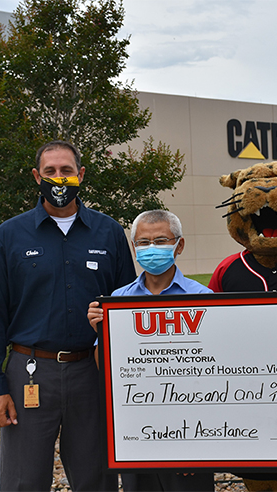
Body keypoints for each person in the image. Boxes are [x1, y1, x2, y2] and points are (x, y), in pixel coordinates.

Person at [0, 140, 137, 491]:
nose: (59, 178)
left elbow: (128, 306)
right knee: (23, 481)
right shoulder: (10, 235)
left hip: (92, 372)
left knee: (97, 478)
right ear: (37, 177)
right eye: (50, 171)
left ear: (80, 175)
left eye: (66, 171)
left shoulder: (108, 232)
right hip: (30, 373)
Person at [88, 209, 214, 492]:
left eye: (161, 241)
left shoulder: (203, 299)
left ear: (179, 245)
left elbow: (214, 370)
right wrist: (100, 331)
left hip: (190, 432)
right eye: (143, 243)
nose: (151, 249)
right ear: (134, 249)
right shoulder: (117, 301)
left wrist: (203, 445)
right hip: (137, 432)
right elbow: (104, 369)